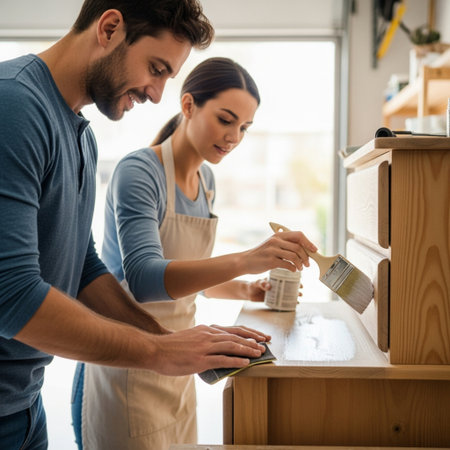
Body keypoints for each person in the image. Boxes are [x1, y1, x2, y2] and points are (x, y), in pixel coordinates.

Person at [0, 1, 306, 448]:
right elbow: (11, 294)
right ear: (109, 27)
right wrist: (159, 350)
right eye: (156, 68)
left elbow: (83, 268)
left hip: (25, 404)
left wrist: (171, 338)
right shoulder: (15, 106)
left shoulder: (79, 136)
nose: (158, 94)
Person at [76, 57, 318, 450]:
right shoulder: (140, 172)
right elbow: (147, 279)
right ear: (188, 106)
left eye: (244, 127)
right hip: (130, 363)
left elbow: (187, 280)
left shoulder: (205, 181)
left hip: (180, 363)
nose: (234, 136)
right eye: (225, 119)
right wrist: (248, 257)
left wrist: (243, 289)